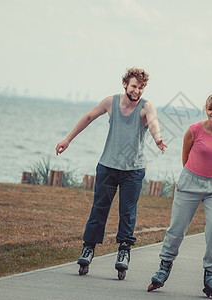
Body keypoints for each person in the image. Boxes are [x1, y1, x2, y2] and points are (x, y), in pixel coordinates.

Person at [55, 68, 167, 279]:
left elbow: (153, 123)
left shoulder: (146, 107)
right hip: (107, 167)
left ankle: (124, 251)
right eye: (134, 86)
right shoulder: (111, 102)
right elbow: (88, 117)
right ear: (125, 84)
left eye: (141, 87)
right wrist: (68, 139)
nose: (137, 90)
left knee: (127, 212)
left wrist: (158, 139)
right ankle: (88, 249)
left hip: (133, 171)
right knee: (99, 209)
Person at [147, 94, 212, 299]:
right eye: (210, 109)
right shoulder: (194, 130)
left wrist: (210, 175)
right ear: (206, 110)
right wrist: (195, 174)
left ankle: (210, 276)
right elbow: (185, 157)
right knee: (177, 228)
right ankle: (164, 267)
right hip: (190, 182)